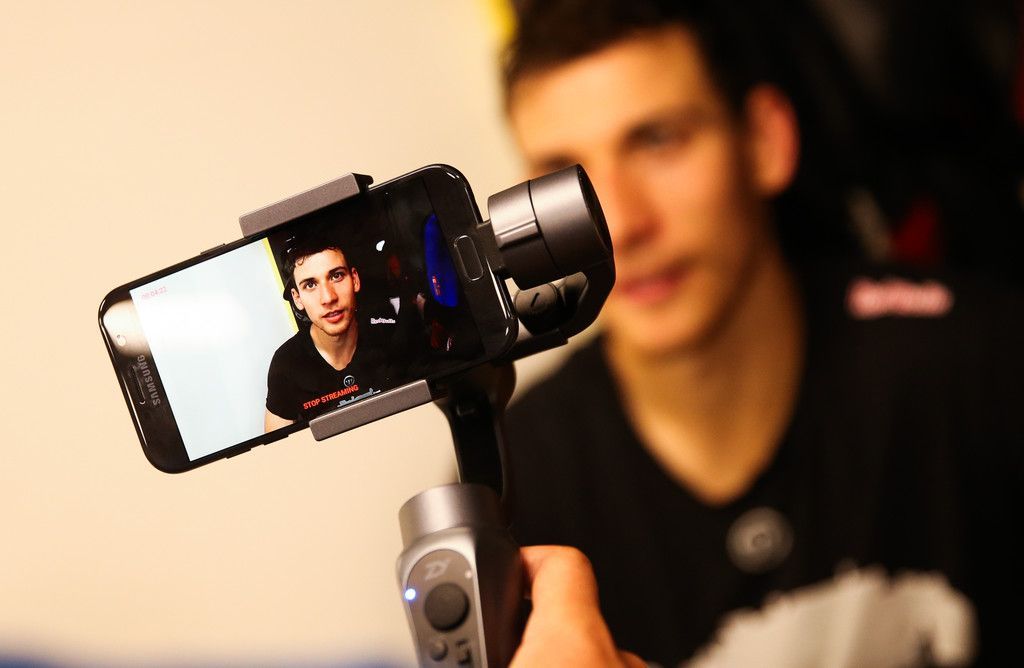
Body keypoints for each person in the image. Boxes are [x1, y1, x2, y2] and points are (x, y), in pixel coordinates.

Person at [500, 1, 1022, 665]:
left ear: (765, 141)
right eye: (560, 177)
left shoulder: (982, 359)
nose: (619, 226)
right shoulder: (517, 476)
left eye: (659, 140)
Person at [264, 236, 390, 429]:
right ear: (297, 298)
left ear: (355, 280)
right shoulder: (286, 364)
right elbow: (277, 445)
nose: (328, 297)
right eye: (310, 285)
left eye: (336, 276)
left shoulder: (391, 334)